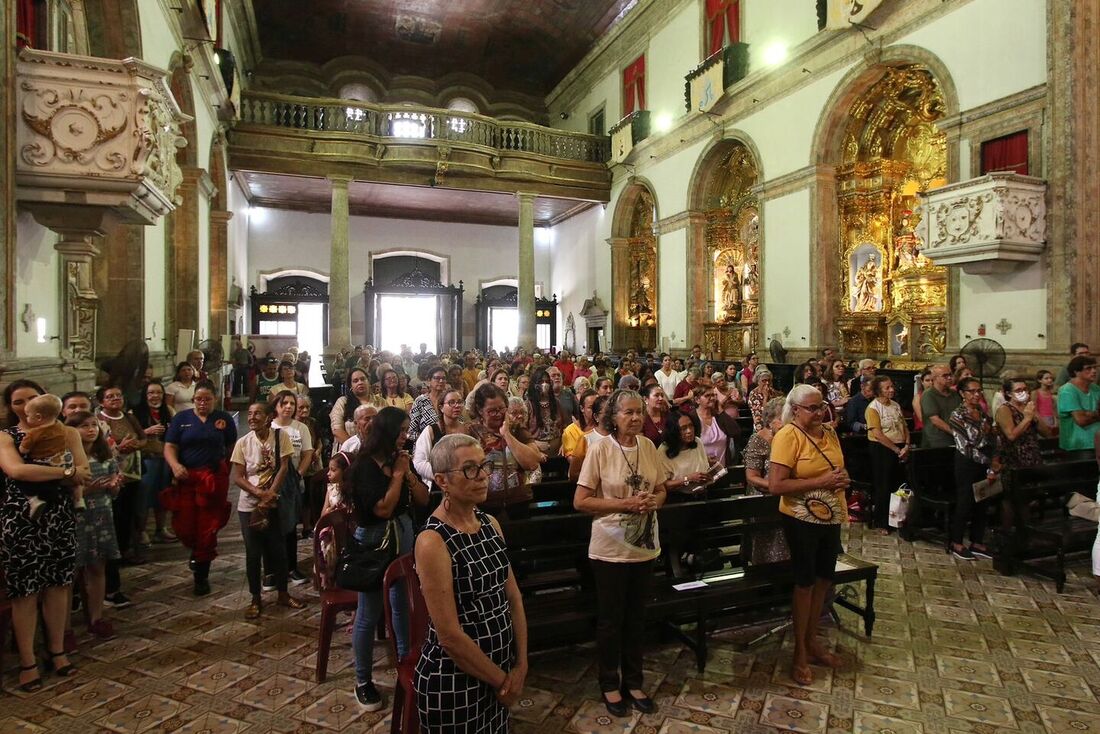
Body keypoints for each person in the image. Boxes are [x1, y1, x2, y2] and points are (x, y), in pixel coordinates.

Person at [415, 434, 529, 731]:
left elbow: (513, 596)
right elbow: (450, 636)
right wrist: (503, 681)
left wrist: (522, 663)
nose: (482, 477)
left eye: (484, 465)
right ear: (442, 481)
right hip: (455, 680)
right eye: (469, 469)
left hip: (501, 668)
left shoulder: (490, 524)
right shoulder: (432, 541)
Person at [574, 390, 665, 717]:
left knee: (636, 618)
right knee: (612, 620)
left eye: (639, 412)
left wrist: (655, 501)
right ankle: (610, 682)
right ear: (613, 417)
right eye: (628, 412)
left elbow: (661, 488)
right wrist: (624, 504)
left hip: (644, 547)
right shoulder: (599, 449)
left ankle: (634, 680)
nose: (636, 418)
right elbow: (581, 501)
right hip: (609, 550)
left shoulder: (649, 447)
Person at [1, 381, 91, 691]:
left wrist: (71, 474)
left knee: (58, 586)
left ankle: (57, 651)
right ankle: (28, 660)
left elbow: (85, 470)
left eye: (31, 399)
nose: (26, 406)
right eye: (17, 402)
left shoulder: (68, 433)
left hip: (59, 517)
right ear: (10, 407)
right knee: (24, 592)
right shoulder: (6, 437)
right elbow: (18, 472)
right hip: (20, 520)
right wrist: (65, 474)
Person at [768, 384, 850, 686]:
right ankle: (799, 652)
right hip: (801, 518)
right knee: (805, 584)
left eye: (822, 406)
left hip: (831, 516)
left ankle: (813, 641)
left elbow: (836, 470)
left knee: (824, 580)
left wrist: (841, 480)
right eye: (812, 408)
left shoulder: (829, 433)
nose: (819, 412)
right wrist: (822, 480)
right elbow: (776, 485)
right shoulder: (787, 436)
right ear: (796, 409)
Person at [349, 407, 429, 710]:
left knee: (402, 606)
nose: (405, 437)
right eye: (401, 431)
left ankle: (406, 666)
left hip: (404, 534)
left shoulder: (400, 461)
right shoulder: (365, 467)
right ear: (387, 432)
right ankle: (363, 680)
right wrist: (396, 477)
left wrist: (407, 473)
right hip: (374, 542)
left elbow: (421, 499)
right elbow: (382, 509)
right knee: (368, 613)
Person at [230, 401, 306, 619]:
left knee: (278, 550)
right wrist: (259, 494)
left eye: (258, 413)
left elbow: (283, 467)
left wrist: (270, 493)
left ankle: (283, 592)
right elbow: (237, 477)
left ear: (267, 417)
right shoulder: (243, 443)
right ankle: (255, 597)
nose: (252, 417)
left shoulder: (280, 437)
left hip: (275, 502)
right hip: (250, 505)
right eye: (250, 413)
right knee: (253, 553)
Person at [163, 380, 238, 596]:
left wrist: (225, 467)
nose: (202, 403)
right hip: (187, 478)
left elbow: (231, 445)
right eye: (198, 399)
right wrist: (175, 465)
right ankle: (194, 550)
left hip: (213, 479)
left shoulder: (223, 419)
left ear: (215, 399)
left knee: (208, 526)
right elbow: (170, 446)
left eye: (207, 399)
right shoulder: (181, 419)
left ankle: (201, 574)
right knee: (186, 525)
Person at [67, 411, 122, 639]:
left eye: (93, 425)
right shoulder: (67, 459)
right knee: (70, 574)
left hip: (102, 516)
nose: (90, 430)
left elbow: (115, 491)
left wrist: (114, 484)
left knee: (97, 568)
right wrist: (87, 490)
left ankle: (96, 617)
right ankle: (64, 628)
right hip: (76, 519)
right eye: (83, 426)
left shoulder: (105, 457)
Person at [96, 383, 146, 602]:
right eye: (110, 396)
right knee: (114, 515)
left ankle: (124, 549)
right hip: (110, 475)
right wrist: (118, 446)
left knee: (128, 513)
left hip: (131, 472)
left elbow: (143, 437)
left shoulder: (129, 416)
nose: (116, 399)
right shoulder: (98, 422)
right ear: (101, 402)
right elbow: (98, 447)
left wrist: (136, 444)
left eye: (118, 395)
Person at [466, 384, 543, 520]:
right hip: (485, 504)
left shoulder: (517, 429)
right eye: (492, 411)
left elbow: (532, 463)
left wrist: (507, 434)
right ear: (479, 410)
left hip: (519, 501)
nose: (498, 414)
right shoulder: (471, 432)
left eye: (502, 409)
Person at [948, 377, 1002, 560]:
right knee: (965, 502)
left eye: (979, 390)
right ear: (962, 394)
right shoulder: (957, 415)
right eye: (971, 391)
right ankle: (956, 542)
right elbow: (965, 446)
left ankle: (977, 541)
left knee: (983, 501)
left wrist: (995, 457)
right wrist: (989, 461)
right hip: (967, 462)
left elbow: (994, 436)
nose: (976, 394)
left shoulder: (982, 412)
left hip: (985, 461)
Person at [270, 390, 315, 585]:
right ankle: (272, 571)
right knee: (271, 527)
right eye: (284, 403)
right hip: (270, 483)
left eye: (291, 403)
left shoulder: (300, 428)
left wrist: (299, 475)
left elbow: (307, 452)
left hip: (293, 482)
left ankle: (291, 567)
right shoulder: (269, 427)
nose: (288, 406)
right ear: (276, 406)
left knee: (290, 527)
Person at [742, 397, 789, 563]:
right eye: (783, 418)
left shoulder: (790, 437)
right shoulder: (759, 439)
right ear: (770, 421)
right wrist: (775, 486)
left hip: (788, 498)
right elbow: (752, 477)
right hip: (764, 501)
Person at [18, 394, 78, 517]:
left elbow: (23, 450)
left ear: (38, 417)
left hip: (44, 463)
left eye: (28, 415)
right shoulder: (60, 426)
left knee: (24, 481)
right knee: (54, 484)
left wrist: (22, 447)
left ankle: (34, 499)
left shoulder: (34, 433)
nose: (27, 418)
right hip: (63, 460)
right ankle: (79, 499)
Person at [132, 381, 175, 544]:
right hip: (146, 458)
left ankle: (161, 528)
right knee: (144, 497)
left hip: (164, 458)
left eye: (158, 393)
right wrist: (145, 432)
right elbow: (129, 436)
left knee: (162, 495)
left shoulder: (168, 411)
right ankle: (141, 531)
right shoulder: (135, 413)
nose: (155, 396)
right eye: (151, 393)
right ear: (145, 395)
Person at [865, 376, 910, 533]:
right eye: (887, 388)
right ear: (878, 391)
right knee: (883, 485)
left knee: (898, 484)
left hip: (900, 447)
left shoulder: (896, 405)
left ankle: (896, 518)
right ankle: (881, 522)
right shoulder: (873, 408)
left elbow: (904, 426)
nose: (891, 390)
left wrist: (906, 445)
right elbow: (877, 433)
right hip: (882, 449)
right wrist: (895, 449)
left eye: (892, 386)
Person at [413, 388, 467, 486]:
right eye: (451, 402)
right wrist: (445, 477)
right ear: (441, 407)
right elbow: (419, 462)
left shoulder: (468, 429)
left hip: (465, 481)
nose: (457, 405)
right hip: (439, 484)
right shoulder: (431, 430)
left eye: (460, 402)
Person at [659, 411, 710, 495]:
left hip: (701, 494)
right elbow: (663, 485)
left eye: (691, 426)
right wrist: (688, 479)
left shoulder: (697, 442)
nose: (689, 431)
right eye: (683, 428)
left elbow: (705, 468)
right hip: (678, 498)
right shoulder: (664, 449)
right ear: (674, 431)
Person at [1057, 355, 1100, 451]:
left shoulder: (1096, 388)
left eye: (1095, 367)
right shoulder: (1067, 391)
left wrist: (1090, 414)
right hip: (1077, 445)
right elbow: (1081, 420)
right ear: (1076, 372)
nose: (1094, 371)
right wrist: (1096, 414)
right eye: (1088, 368)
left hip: (1097, 443)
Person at [525, 367, 567, 456]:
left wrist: (564, 444)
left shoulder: (556, 402)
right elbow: (524, 431)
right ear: (535, 384)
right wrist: (534, 449)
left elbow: (564, 426)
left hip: (557, 453)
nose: (545, 384)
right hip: (536, 453)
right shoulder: (528, 404)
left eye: (547, 381)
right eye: (541, 382)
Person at [331, 367, 375, 450]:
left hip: (376, 451)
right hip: (349, 451)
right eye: (355, 381)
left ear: (368, 382)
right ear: (351, 386)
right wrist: (357, 449)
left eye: (363, 379)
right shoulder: (342, 402)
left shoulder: (380, 402)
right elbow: (337, 431)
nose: (360, 382)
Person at [920, 365, 961, 448]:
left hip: (955, 439)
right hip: (936, 440)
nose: (949, 378)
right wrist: (955, 433)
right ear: (935, 378)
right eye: (945, 376)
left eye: (950, 375)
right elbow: (935, 420)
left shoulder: (955, 394)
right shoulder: (928, 395)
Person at [409, 364, 449, 443]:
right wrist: (426, 439)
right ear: (429, 381)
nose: (441, 381)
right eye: (437, 378)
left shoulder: (450, 399)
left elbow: (460, 423)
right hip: (425, 444)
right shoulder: (420, 401)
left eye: (443, 378)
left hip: (448, 443)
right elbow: (411, 432)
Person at [561, 389, 598, 460]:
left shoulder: (604, 428)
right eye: (591, 407)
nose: (595, 410)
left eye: (597, 407)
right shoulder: (570, 431)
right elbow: (572, 461)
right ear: (582, 408)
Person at [1032, 369, 1057, 433]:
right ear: (1039, 380)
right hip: (1041, 419)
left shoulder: (1052, 393)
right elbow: (1035, 410)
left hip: (1052, 419)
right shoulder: (1035, 393)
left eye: (1051, 378)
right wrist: (1043, 424)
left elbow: (1054, 409)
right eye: (1046, 378)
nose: (1050, 380)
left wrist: (1056, 422)